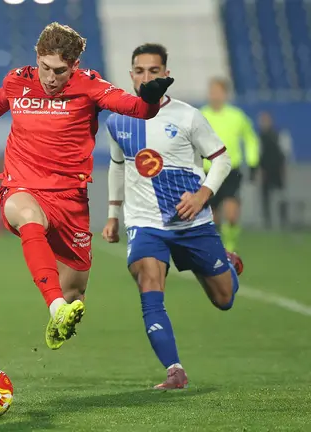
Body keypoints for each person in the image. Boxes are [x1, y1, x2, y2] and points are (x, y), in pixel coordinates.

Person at [0, 22, 173, 350]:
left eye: (59, 71)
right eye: (45, 67)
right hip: (22, 184)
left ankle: (63, 308)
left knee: (75, 292)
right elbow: (2, 99)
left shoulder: (91, 87)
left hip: (70, 198)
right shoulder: (19, 80)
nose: (50, 77)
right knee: (29, 218)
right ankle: (55, 307)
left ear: (74, 66)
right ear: (37, 57)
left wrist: (151, 102)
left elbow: (138, 109)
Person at [101, 43, 244, 390]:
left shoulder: (187, 116)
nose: (145, 76)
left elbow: (221, 159)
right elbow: (117, 166)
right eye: (139, 70)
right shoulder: (118, 119)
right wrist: (113, 214)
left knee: (224, 299)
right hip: (145, 224)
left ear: (166, 74)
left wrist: (202, 196)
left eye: (153, 71)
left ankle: (226, 262)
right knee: (149, 283)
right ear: (131, 74)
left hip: (192, 223)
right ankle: (174, 369)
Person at [200, 78, 259, 252]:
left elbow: (250, 139)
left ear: (225, 94)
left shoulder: (237, 116)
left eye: (218, 91)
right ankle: (216, 249)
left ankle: (230, 246)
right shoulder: (201, 115)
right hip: (207, 171)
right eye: (212, 91)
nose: (214, 95)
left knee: (232, 214)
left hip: (230, 171)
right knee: (212, 217)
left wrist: (252, 162)